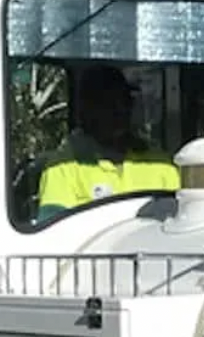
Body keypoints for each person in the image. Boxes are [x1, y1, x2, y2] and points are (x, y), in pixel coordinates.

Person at [34, 63, 178, 222]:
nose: (118, 110)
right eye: (106, 103)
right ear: (85, 110)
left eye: (124, 101)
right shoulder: (62, 168)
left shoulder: (160, 162)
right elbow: (55, 237)